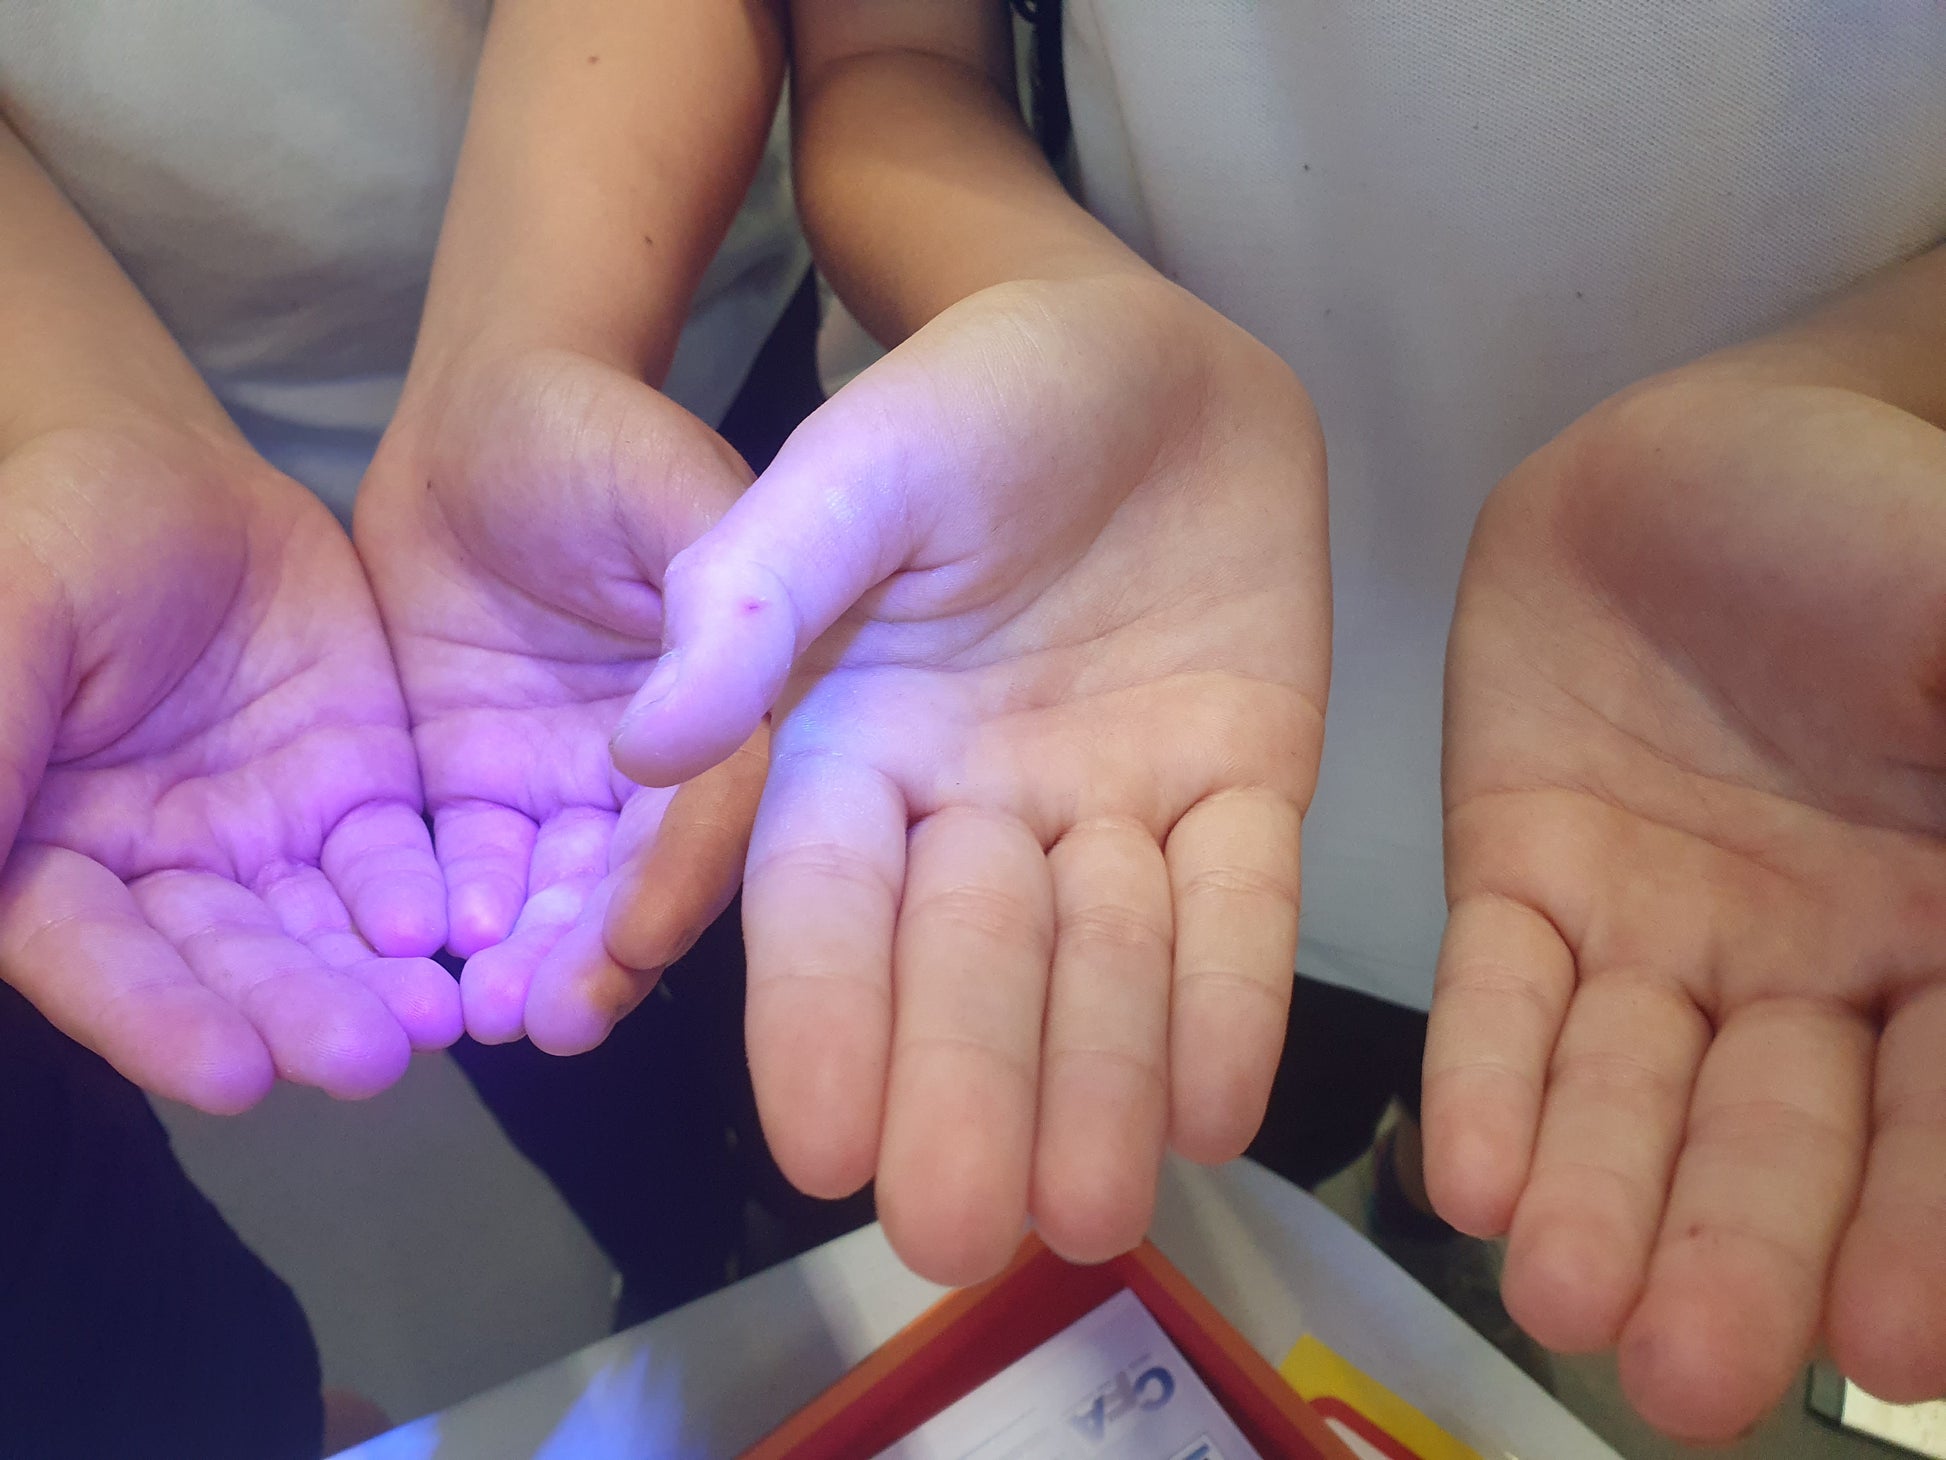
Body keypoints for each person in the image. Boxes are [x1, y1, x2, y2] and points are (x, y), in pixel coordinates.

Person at [598, 1, 1946, 1444]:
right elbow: (892, 67)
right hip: (1111, 680)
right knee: (1195, 1115)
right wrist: (1051, 297)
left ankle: (1425, 1224)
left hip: (1756, 757)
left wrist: (1862, 374)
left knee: (1495, 1105)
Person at [0, 2, 812, 1451]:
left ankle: (805, 1237)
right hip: (184, 510)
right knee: (502, 990)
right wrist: (98, 420)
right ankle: (694, 1256)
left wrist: (531, 351)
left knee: (791, 945)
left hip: (662, 364)